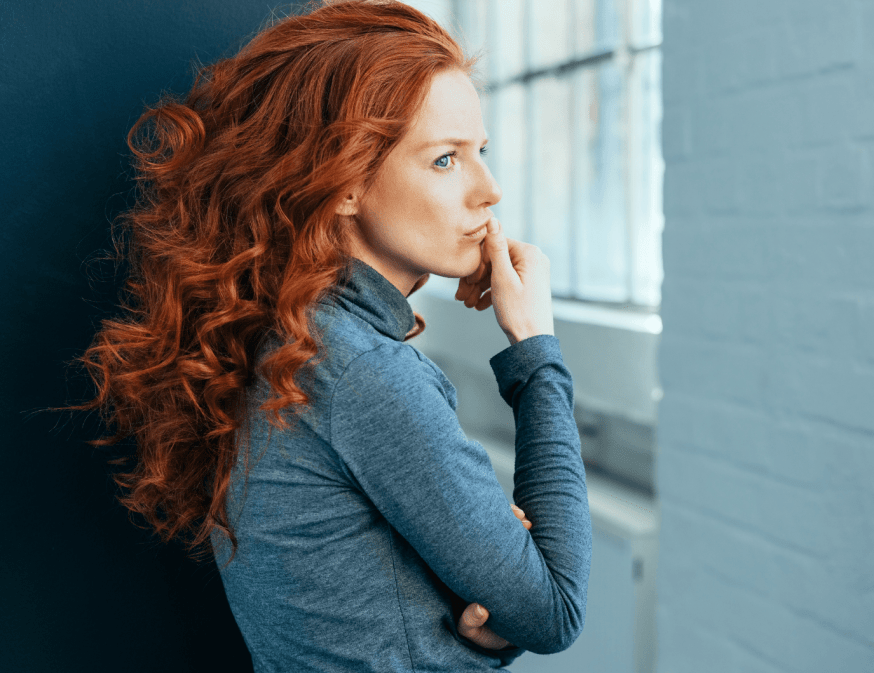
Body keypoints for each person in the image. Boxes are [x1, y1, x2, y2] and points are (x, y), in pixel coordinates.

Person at [66, 1, 592, 670]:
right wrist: (534, 348)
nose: (488, 190)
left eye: (479, 153)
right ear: (344, 180)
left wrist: (489, 597)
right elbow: (555, 609)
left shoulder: (294, 336)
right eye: (444, 160)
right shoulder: (358, 368)